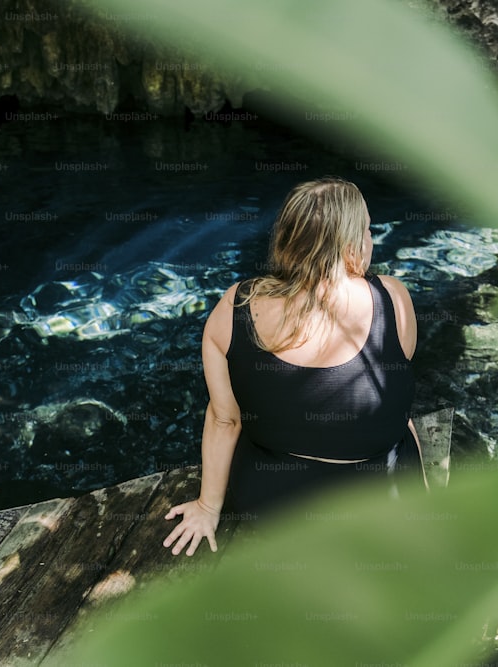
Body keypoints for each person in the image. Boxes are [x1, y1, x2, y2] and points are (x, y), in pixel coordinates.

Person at [163, 176, 426, 557]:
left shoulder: (236, 306)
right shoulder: (392, 298)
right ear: (351, 244)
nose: (372, 237)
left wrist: (207, 508)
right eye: (368, 228)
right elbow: (398, 394)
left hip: (275, 507)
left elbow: (225, 420)